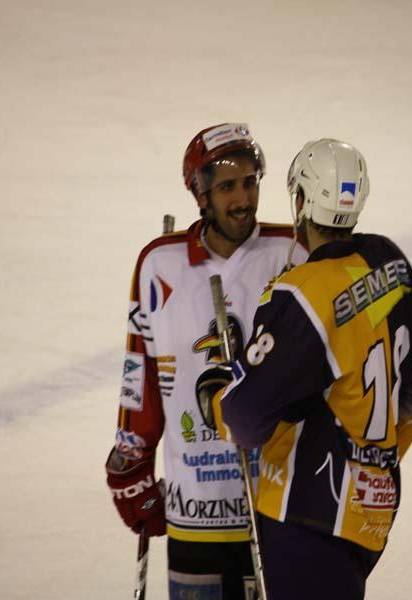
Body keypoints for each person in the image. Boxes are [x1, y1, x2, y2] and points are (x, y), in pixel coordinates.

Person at [198, 139, 412, 599]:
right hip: (372, 513)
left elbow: (244, 420)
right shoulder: (389, 261)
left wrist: (215, 395)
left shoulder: (301, 293)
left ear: (301, 202)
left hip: (306, 518)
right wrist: (377, 460)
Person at [105, 123, 308, 600]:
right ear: (201, 194)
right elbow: (142, 374)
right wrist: (131, 461)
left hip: (279, 504)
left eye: (249, 183)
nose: (243, 199)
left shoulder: (292, 252)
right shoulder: (159, 263)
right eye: (227, 187)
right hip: (194, 507)